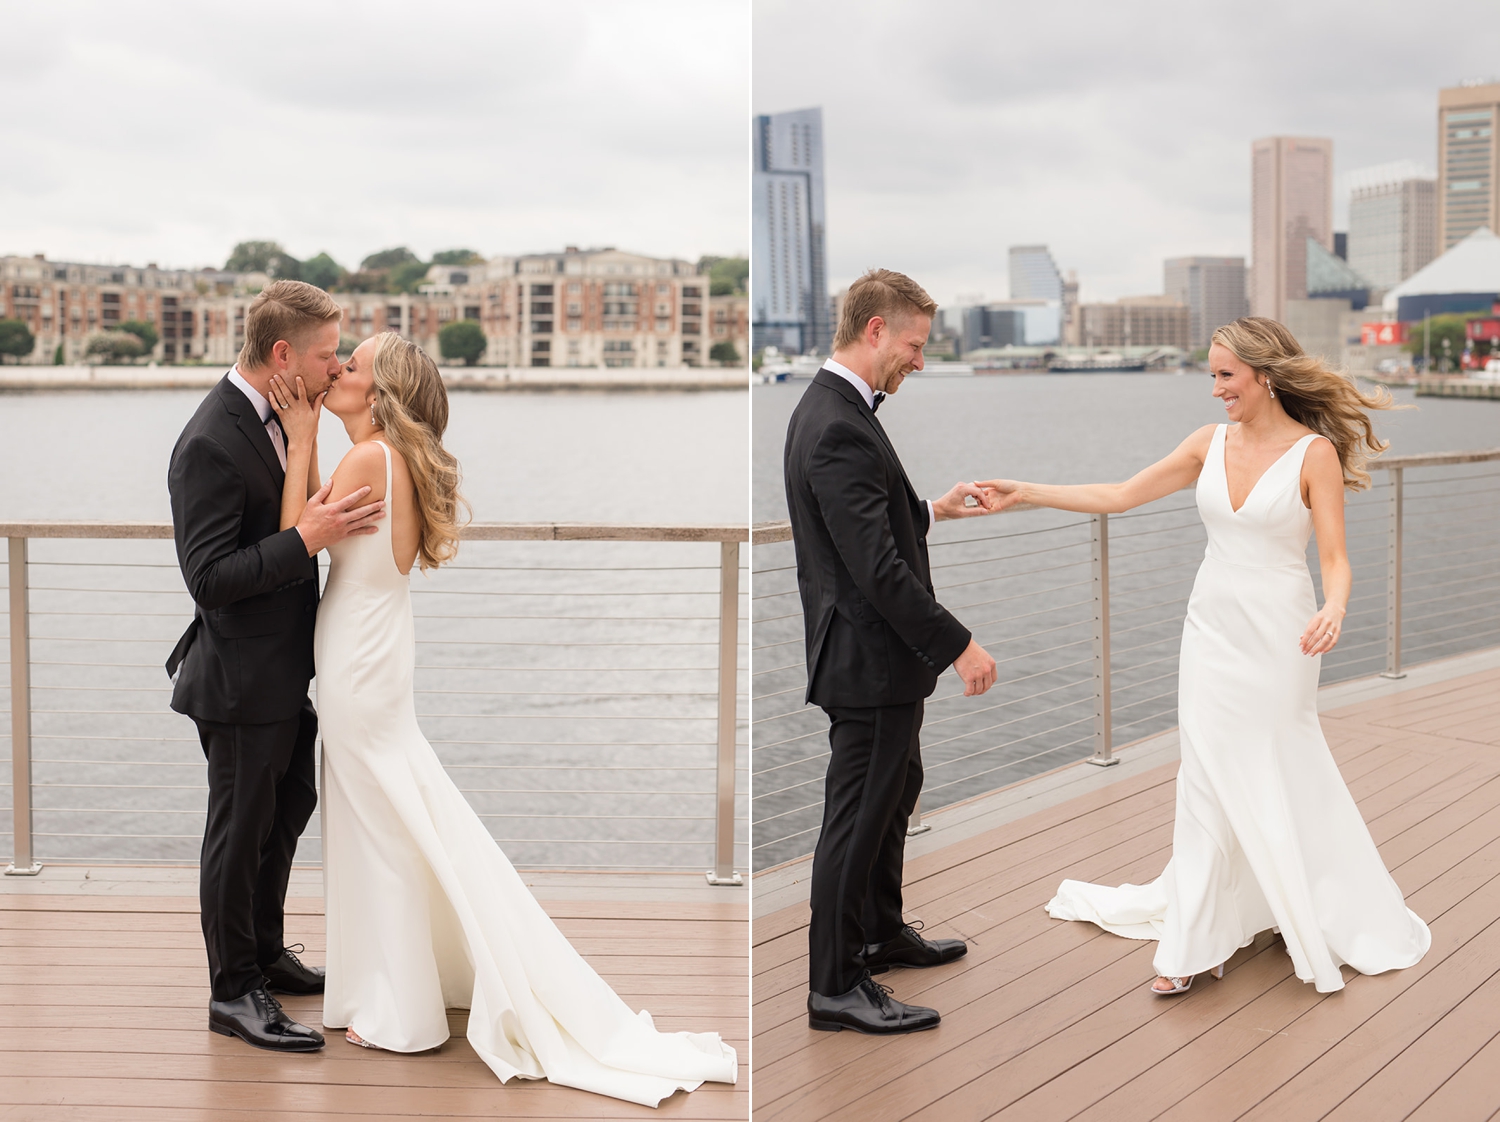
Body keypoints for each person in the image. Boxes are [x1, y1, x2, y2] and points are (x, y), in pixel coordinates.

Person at [267, 331, 737, 1107]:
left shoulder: (367, 458)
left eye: (351, 366)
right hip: (378, 655)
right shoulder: (390, 459)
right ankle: (405, 981)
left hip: (359, 661)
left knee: (378, 825)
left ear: (379, 394)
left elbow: (294, 539)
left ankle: (404, 1014)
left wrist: (302, 437)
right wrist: (318, 439)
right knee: (393, 813)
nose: (337, 370)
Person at [980, 316, 1431, 995]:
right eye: (1213, 375)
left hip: (1281, 635)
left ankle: (1286, 901)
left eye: (1226, 375)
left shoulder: (1314, 455)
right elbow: (1121, 496)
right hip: (1212, 632)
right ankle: (1199, 939)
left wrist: (1334, 607)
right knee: (1206, 778)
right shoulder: (1206, 444)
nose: (1216, 388)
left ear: (1265, 377)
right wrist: (1027, 491)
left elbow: (1335, 560)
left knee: (1274, 765)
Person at [166, 280, 386, 1052]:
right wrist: (308, 539)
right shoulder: (208, 441)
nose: (336, 368)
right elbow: (210, 580)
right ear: (284, 353)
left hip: (284, 673)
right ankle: (232, 993)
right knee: (237, 834)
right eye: (329, 354)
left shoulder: (281, 418)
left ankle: (263, 953)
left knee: (287, 806)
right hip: (237, 680)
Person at [783, 268, 999, 1036]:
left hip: (870, 659)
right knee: (856, 817)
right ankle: (836, 986)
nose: (918, 359)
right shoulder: (838, 422)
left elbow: (870, 521)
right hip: (868, 664)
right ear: (876, 330)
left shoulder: (834, 409)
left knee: (895, 790)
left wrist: (930, 510)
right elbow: (874, 568)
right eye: (913, 344)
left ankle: (879, 931)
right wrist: (958, 644)